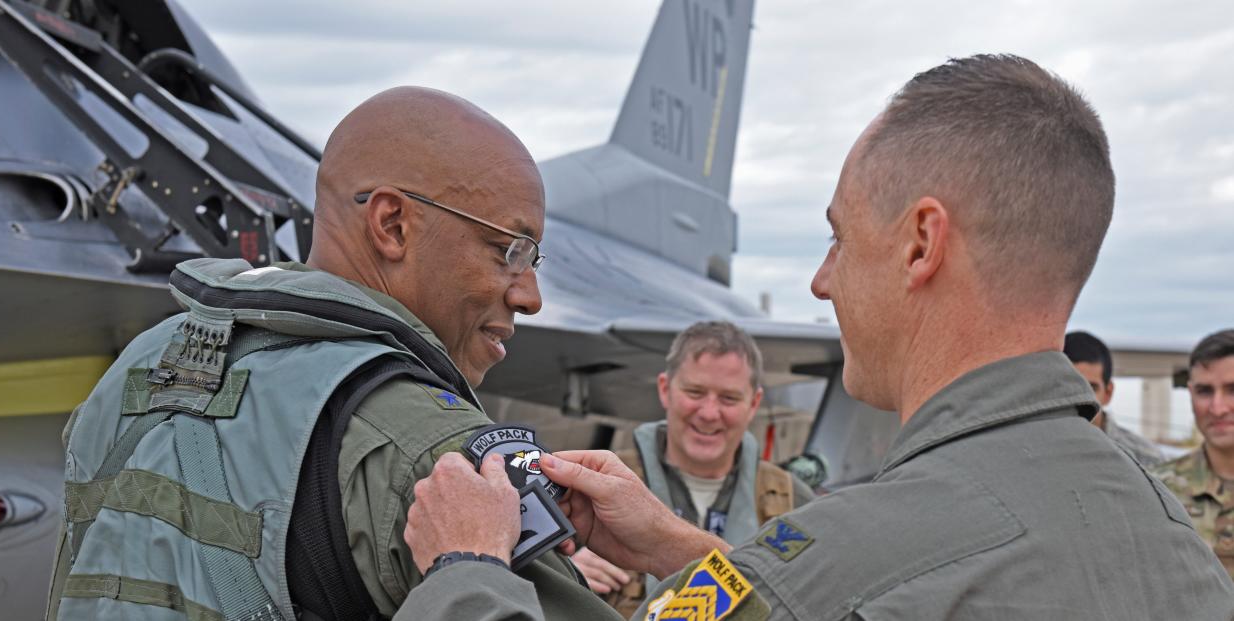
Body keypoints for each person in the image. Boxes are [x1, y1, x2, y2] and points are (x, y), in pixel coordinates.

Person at [394, 55, 1234, 620]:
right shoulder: (1176, 547)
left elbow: (844, 576)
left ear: (920, 244)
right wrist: (689, 547)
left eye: (839, 237)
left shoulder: (866, 545)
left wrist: (466, 566)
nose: (820, 281)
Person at [45, 87, 622, 621]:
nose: (530, 296)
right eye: (508, 250)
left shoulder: (140, 368)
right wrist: (694, 554)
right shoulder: (438, 459)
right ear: (392, 225)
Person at [570, 321, 813, 616]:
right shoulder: (595, 485)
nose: (710, 413)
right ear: (665, 389)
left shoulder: (793, 501)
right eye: (695, 392)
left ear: (754, 403)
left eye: (729, 398)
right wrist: (567, 575)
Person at [1153, 329, 1234, 578]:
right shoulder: (1158, 491)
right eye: (1204, 391)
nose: (1217, 408)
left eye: (1233, 389)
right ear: (1190, 394)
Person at [1063, 330, 1165, 465]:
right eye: (1068, 388)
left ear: (1108, 393)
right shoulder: (1031, 453)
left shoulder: (1146, 460)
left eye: (1091, 388)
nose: (1079, 400)